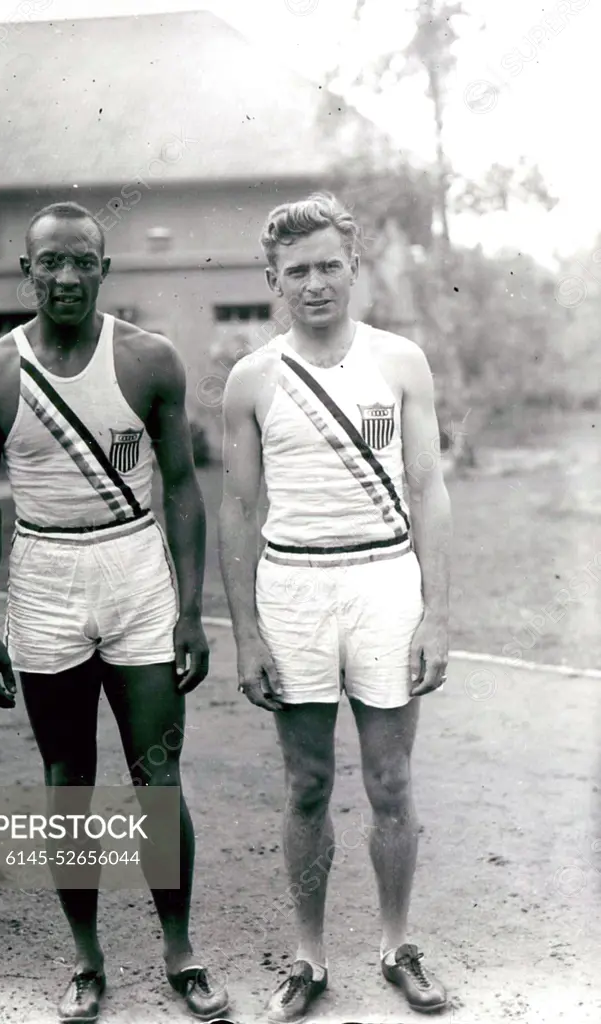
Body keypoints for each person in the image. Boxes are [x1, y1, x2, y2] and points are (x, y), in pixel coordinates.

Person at [0, 201, 229, 1023]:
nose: (66, 276)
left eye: (82, 261)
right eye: (50, 263)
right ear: (26, 271)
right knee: (67, 783)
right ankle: (86, 961)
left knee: (156, 778)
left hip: (134, 566)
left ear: (104, 270)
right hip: (43, 576)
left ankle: (180, 952)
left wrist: (190, 611)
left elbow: (181, 488)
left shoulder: (148, 360)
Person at [218, 192, 451, 1020]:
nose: (313, 284)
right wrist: (245, 634)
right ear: (272, 279)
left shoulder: (399, 362)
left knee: (390, 778)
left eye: (327, 266)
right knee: (306, 783)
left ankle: (395, 945)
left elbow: (426, 487)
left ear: (352, 267)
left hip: (385, 583)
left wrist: (436, 612)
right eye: (296, 272)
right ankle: (308, 957)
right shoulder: (252, 377)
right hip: (294, 590)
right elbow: (238, 511)